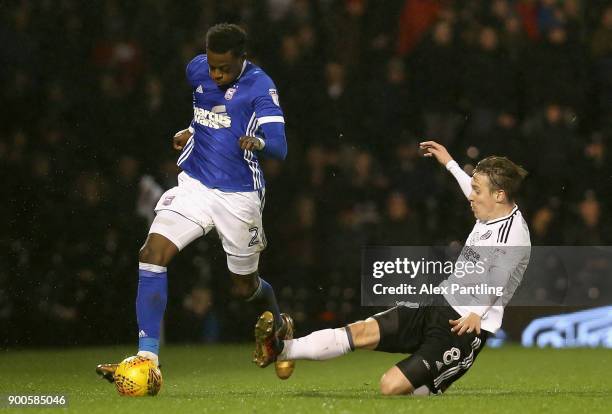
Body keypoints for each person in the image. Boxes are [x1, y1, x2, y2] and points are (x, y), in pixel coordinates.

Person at [97, 23, 295, 381]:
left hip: (239, 196)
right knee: (151, 254)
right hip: (195, 185)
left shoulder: (260, 87)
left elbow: (280, 146)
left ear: (241, 59)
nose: (215, 73)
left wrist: (259, 143)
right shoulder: (196, 69)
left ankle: (279, 325)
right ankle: (147, 359)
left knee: (244, 287)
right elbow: (206, 107)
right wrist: (192, 129)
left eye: (224, 68)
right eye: (212, 65)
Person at [254, 141, 531, 395]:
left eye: (477, 190)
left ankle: (431, 384)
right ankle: (280, 349)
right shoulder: (490, 207)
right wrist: (449, 162)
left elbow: (499, 278)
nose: (471, 195)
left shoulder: (513, 233)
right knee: (361, 331)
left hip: (464, 328)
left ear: (499, 195)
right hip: (438, 302)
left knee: (391, 387)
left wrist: (477, 313)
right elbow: (468, 185)